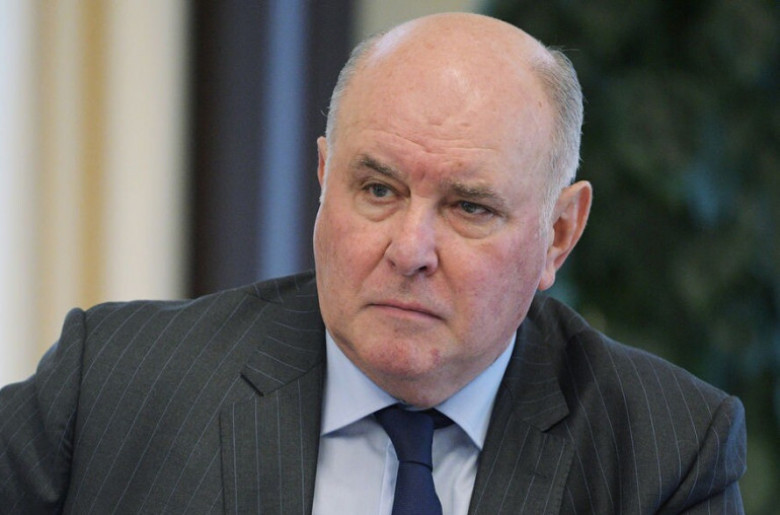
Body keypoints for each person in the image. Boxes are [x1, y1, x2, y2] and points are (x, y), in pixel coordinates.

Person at [0, 12, 746, 514]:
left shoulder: (666, 452)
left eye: (469, 207)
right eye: (379, 190)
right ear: (324, 180)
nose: (409, 250)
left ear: (558, 234)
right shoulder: (111, 384)